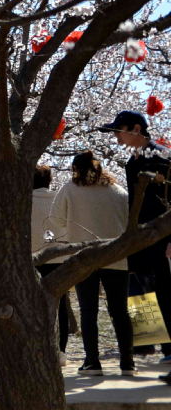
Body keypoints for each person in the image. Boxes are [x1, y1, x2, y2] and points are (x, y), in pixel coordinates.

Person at [99, 110, 171, 378]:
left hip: (162, 233)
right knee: (140, 286)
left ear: (137, 129)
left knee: (164, 290)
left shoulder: (161, 155)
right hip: (141, 234)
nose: (116, 135)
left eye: (119, 130)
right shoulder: (136, 158)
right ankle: (149, 343)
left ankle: (168, 347)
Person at [49, 150, 134, 376]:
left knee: (89, 310)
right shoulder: (118, 191)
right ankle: (128, 362)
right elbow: (129, 221)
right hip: (115, 256)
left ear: (75, 169)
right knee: (119, 311)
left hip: (84, 257)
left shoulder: (69, 189)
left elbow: (55, 219)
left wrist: (70, 234)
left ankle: (92, 362)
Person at [31, 164, 70, 367]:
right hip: (59, 258)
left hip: (32, 258)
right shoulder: (58, 199)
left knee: (29, 304)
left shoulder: (22, 201)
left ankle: (33, 351)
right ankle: (60, 351)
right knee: (60, 306)